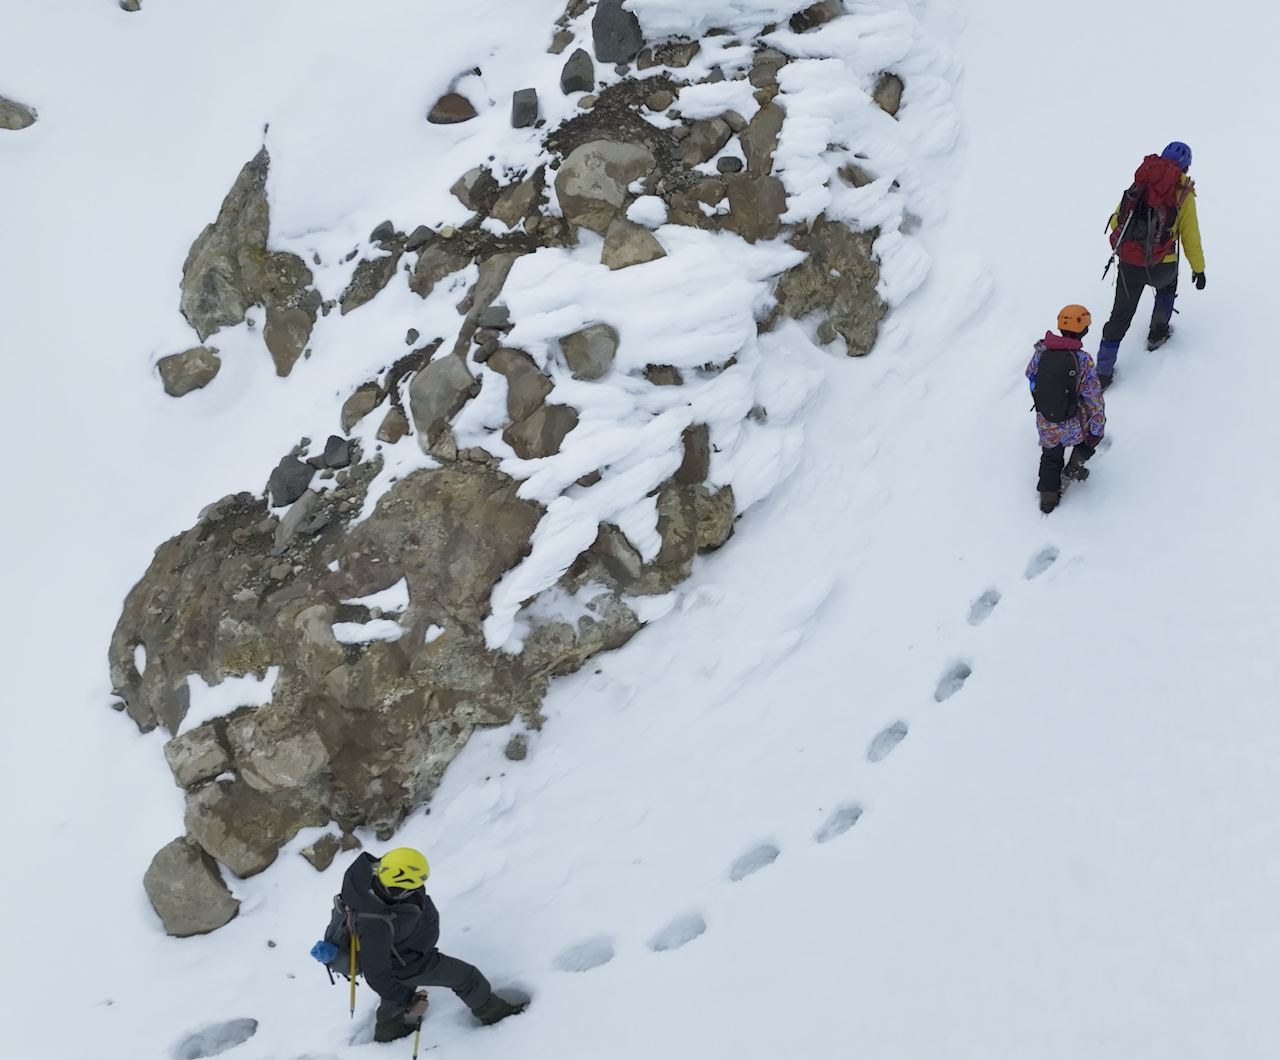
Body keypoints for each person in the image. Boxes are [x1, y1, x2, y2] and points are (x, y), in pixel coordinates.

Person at [338, 848, 523, 1042]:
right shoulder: (376, 926)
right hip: (412, 961)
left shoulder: (370, 876)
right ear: (401, 888)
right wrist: (410, 1002)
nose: (418, 889)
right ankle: (498, 1014)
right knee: (468, 978)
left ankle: (388, 1035)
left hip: (400, 953)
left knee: (397, 991)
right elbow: (377, 975)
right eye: (414, 887)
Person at [1097, 141, 1205, 388]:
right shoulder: (1183, 194)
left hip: (1129, 264)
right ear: (1186, 167)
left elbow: (1117, 222)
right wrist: (1198, 269)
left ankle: (1102, 373)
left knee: (1120, 316)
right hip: (1162, 266)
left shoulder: (1140, 182)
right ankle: (1157, 334)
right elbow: (1191, 238)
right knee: (1167, 288)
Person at [1027, 305, 1106, 513]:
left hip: (1046, 420)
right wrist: (1097, 426)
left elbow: (1031, 376)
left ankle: (1047, 500)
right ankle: (1071, 470)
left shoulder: (1041, 352)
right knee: (1089, 441)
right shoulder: (1083, 360)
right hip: (1073, 422)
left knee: (1050, 457)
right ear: (1084, 330)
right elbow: (1093, 397)